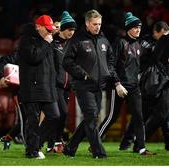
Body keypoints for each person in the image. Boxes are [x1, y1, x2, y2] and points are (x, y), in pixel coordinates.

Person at [62, 9, 126, 159]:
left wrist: (116, 82)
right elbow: (67, 62)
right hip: (83, 86)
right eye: (95, 24)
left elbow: (110, 63)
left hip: (99, 86)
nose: (98, 27)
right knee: (91, 116)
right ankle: (99, 152)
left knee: (91, 118)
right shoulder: (77, 40)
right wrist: (82, 74)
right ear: (87, 23)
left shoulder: (104, 40)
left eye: (99, 24)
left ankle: (70, 148)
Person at [98, 12, 156, 156]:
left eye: (140, 27)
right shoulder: (119, 43)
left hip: (133, 86)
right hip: (119, 86)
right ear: (129, 28)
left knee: (138, 116)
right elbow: (110, 65)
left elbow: (139, 66)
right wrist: (117, 84)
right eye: (135, 27)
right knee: (112, 117)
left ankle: (141, 148)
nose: (138, 30)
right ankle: (95, 142)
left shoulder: (138, 44)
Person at [119, 21, 169, 151]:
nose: (164, 38)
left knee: (163, 114)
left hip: (161, 82)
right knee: (142, 113)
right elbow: (139, 59)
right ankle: (128, 142)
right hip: (149, 82)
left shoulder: (160, 42)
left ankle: (164, 142)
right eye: (163, 35)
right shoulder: (145, 42)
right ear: (156, 32)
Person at [18, 14, 60, 159]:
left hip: (47, 87)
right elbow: (34, 57)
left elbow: (51, 65)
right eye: (47, 30)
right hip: (31, 87)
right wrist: (46, 43)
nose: (49, 33)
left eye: (50, 30)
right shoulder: (26, 40)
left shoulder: (47, 40)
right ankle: (32, 151)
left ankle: (36, 144)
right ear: (38, 27)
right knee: (33, 121)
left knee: (55, 116)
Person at [46, 11, 77, 153]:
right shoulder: (53, 44)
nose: (72, 32)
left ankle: (51, 143)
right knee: (61, 113)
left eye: (73, 30)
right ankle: (55, 141)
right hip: (54, 85)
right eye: (69, 29)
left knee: (58, 116)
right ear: (63, 29)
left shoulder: (73, 45)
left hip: (67, 86)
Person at [0, 49, 25, 150]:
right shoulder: (21, 53)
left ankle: (7, 139)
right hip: (20, 91)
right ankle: (32, 148)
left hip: (37, 91)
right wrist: (1, 77)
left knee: (27, 119)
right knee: (24, 118)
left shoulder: (44, 51)